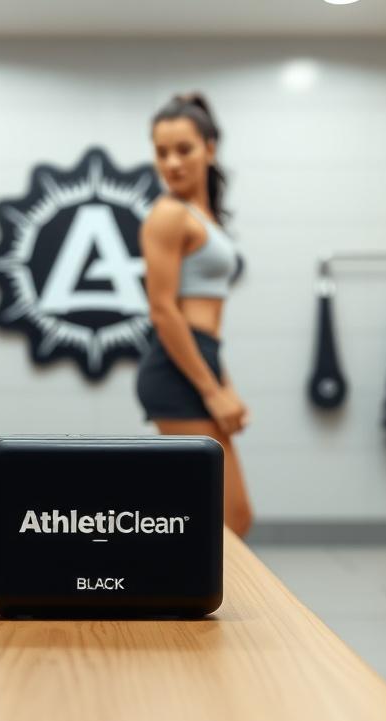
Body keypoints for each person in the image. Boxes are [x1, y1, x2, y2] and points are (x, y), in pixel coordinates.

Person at [135, 92, 254, 538]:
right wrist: (212, 390)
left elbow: (203, 327)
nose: (171, 163)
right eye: (161, 152)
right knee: (227, 517)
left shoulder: (201, 214)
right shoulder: (166, 216)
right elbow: (165, 312)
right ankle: (160, 600)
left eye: (183, 149)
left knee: (214, 515)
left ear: (210, 147)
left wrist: (226, 386)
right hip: (176, 367)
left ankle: (171, 600)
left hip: (198, 359)